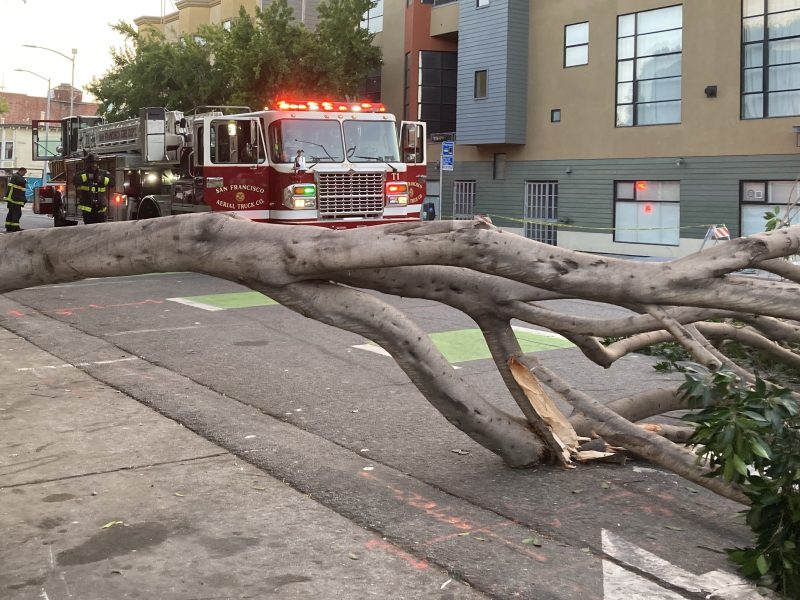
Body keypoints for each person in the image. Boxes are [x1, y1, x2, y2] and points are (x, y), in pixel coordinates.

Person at [74, 153, 114, 224]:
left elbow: (112, 183)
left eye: (94, 163)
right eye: (90, 163)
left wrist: (101, 179)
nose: (93, 165)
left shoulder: (103, 173)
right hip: (87, 209)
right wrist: (88, 176)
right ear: (86, 164)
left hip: (100, 208)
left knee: (100, 228)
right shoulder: (82, 174)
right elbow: (75, 181)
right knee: (90, 228)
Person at [4, 166, 27, 232]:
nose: (24, 174)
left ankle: (9, 226)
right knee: (17, 213)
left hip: (12, 198)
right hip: (15, 199)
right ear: (21, 171)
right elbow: (22, 182)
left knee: (11, 213)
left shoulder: (15, 176)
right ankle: (15, 227)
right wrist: (24, 180)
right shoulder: (17, 177)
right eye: (24, 173)